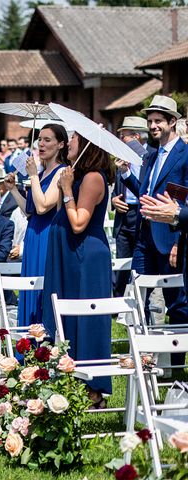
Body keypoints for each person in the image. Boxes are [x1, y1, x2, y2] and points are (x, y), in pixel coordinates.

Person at [41, 132, 114, 406]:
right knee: (68, 319)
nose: (69, 143)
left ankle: (93, 389)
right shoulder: (76, 175)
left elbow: (79, 223)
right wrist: (63, 188)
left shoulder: (94, 177)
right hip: (70, 256)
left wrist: (69, 189)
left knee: (87, 320)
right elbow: (62, 211)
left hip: (87, 258)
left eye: (73, 139)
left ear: (86, 146)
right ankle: (71, 377)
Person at [115, 95, 188, 366]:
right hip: (144, 236)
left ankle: (178, 362)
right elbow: (145, 192)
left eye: (159, 121)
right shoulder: (150, 154)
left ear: (172, 122)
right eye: (150, 121)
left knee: (175, 300)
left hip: (171, 237)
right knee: (138, 294)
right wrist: (125, 176)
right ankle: (143, 353)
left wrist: (180, 241)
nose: (153, 125)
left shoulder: (185, 154)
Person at [4, 124, 68, 327]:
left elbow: (43, 207)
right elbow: (30, 210)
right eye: (40, 139)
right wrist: (13, 190)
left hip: (47, 236)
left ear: (61, 144)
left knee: (42, 289)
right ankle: (27, 344)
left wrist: (32, 175)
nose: (41, 144)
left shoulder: (61, 171)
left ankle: (44, 345)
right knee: (29, 289)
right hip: (32, 234)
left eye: (47, 140)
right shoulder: (40, 174)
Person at [112, 116, 148, 296]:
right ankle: (117, 302)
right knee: (121, 262)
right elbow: (115, 187)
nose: (121, 140)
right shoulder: (121, 159)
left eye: (124, 136)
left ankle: (140, 302)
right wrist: (113, 200)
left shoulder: (150, 158)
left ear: (136, 137)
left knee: (140, 263)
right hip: (123, 213)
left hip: (141, 214)